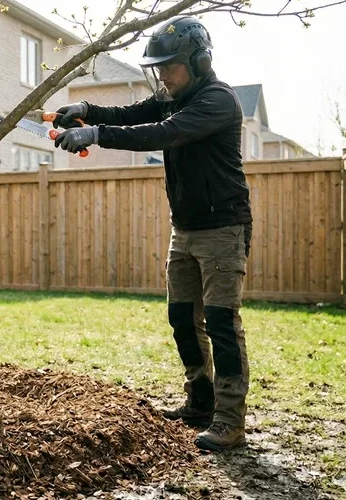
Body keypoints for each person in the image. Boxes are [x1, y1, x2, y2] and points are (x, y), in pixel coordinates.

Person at [51, 16, 253, 451]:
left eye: (170, 66)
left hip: (223, 228)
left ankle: (230, 420)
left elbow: (164, 133)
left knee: (221, 323)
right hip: (184, 229)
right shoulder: (171, 96)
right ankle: (200, 399)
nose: (162, 74)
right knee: (182, 317)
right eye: (157, 66)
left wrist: (97, 134)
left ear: (199, 61)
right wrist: (87, 111)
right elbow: (131, 113)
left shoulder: (217, 101)